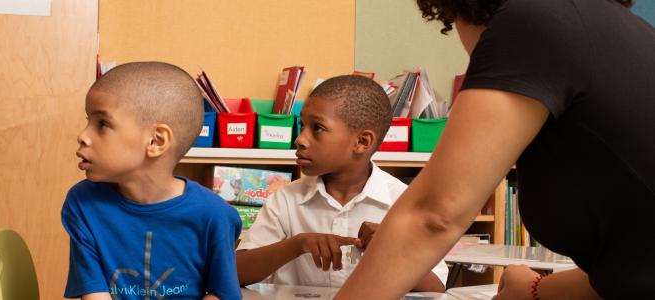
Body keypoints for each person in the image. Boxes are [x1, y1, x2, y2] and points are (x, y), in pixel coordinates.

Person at [336, 0, 655, 299]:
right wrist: (536, 289)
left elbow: (434, 215)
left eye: (449, 23)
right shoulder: (633, 31)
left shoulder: (530, 22)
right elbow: (630, 265)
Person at [235, 75, 448, 291]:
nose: (300, 139)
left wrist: (391, 248)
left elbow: (436, 288)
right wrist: (297, 245)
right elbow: (237, 273)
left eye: (317, 128)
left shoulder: (405, 202)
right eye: (302, 126)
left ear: (362, 142)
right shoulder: (286, 199)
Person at [61, 62, 242, 300]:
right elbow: (95, 294)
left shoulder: (215, 215)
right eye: (88, 121)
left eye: (102, 124)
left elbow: (222, 294)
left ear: (156, 141)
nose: (82, 136)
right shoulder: (83, 203)